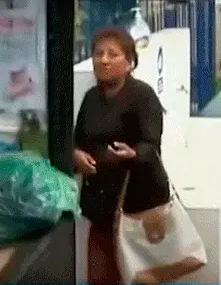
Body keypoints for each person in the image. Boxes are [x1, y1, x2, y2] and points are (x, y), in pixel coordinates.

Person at [73, 27, 170, 285]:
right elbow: (78, 140)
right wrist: (77, 156)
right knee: (100, 276)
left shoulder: (143, 96)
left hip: (137, 208)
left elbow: (151, 145)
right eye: (98, 54)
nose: (103, 60)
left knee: (138, 276)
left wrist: (131, 154)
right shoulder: (91, 98)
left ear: (129, 62)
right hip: (101, 207)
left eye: (112, 54)